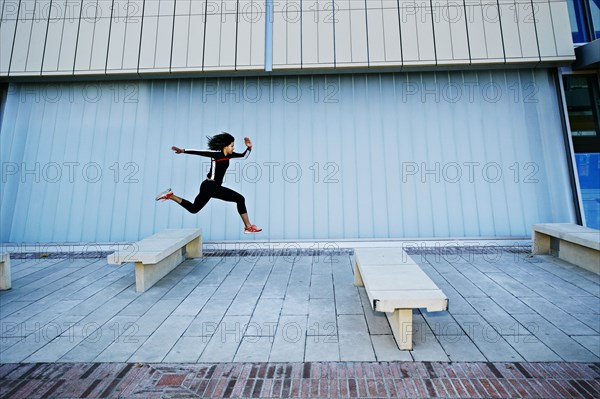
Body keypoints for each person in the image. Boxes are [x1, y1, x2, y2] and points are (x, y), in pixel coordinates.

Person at [155, 132, 262, 234]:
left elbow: (244, 156)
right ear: (225, 146)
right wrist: (182, 150)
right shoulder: (216, 154)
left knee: (193, 209)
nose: (233, 148)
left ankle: (171, 195)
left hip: (208, 187)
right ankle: (248, 227)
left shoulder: (229, 155)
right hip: (211, 186)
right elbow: (199, 152)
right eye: (232, 146)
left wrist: (249, 147)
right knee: (240, 199)